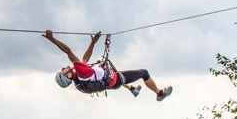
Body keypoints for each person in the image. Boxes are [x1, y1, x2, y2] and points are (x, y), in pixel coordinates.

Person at [42, 30, 173, 101]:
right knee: (144, 73)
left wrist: (93, 43)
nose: (63, 68)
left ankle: (133, 89)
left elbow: (85, 58)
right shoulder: (80, 72)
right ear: (68, 75)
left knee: (119, 73)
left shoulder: (80, 75)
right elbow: (68, 50)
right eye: (63, 71)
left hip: (112, 81)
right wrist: (52, 39)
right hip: (116, 79)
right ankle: (159, 93)